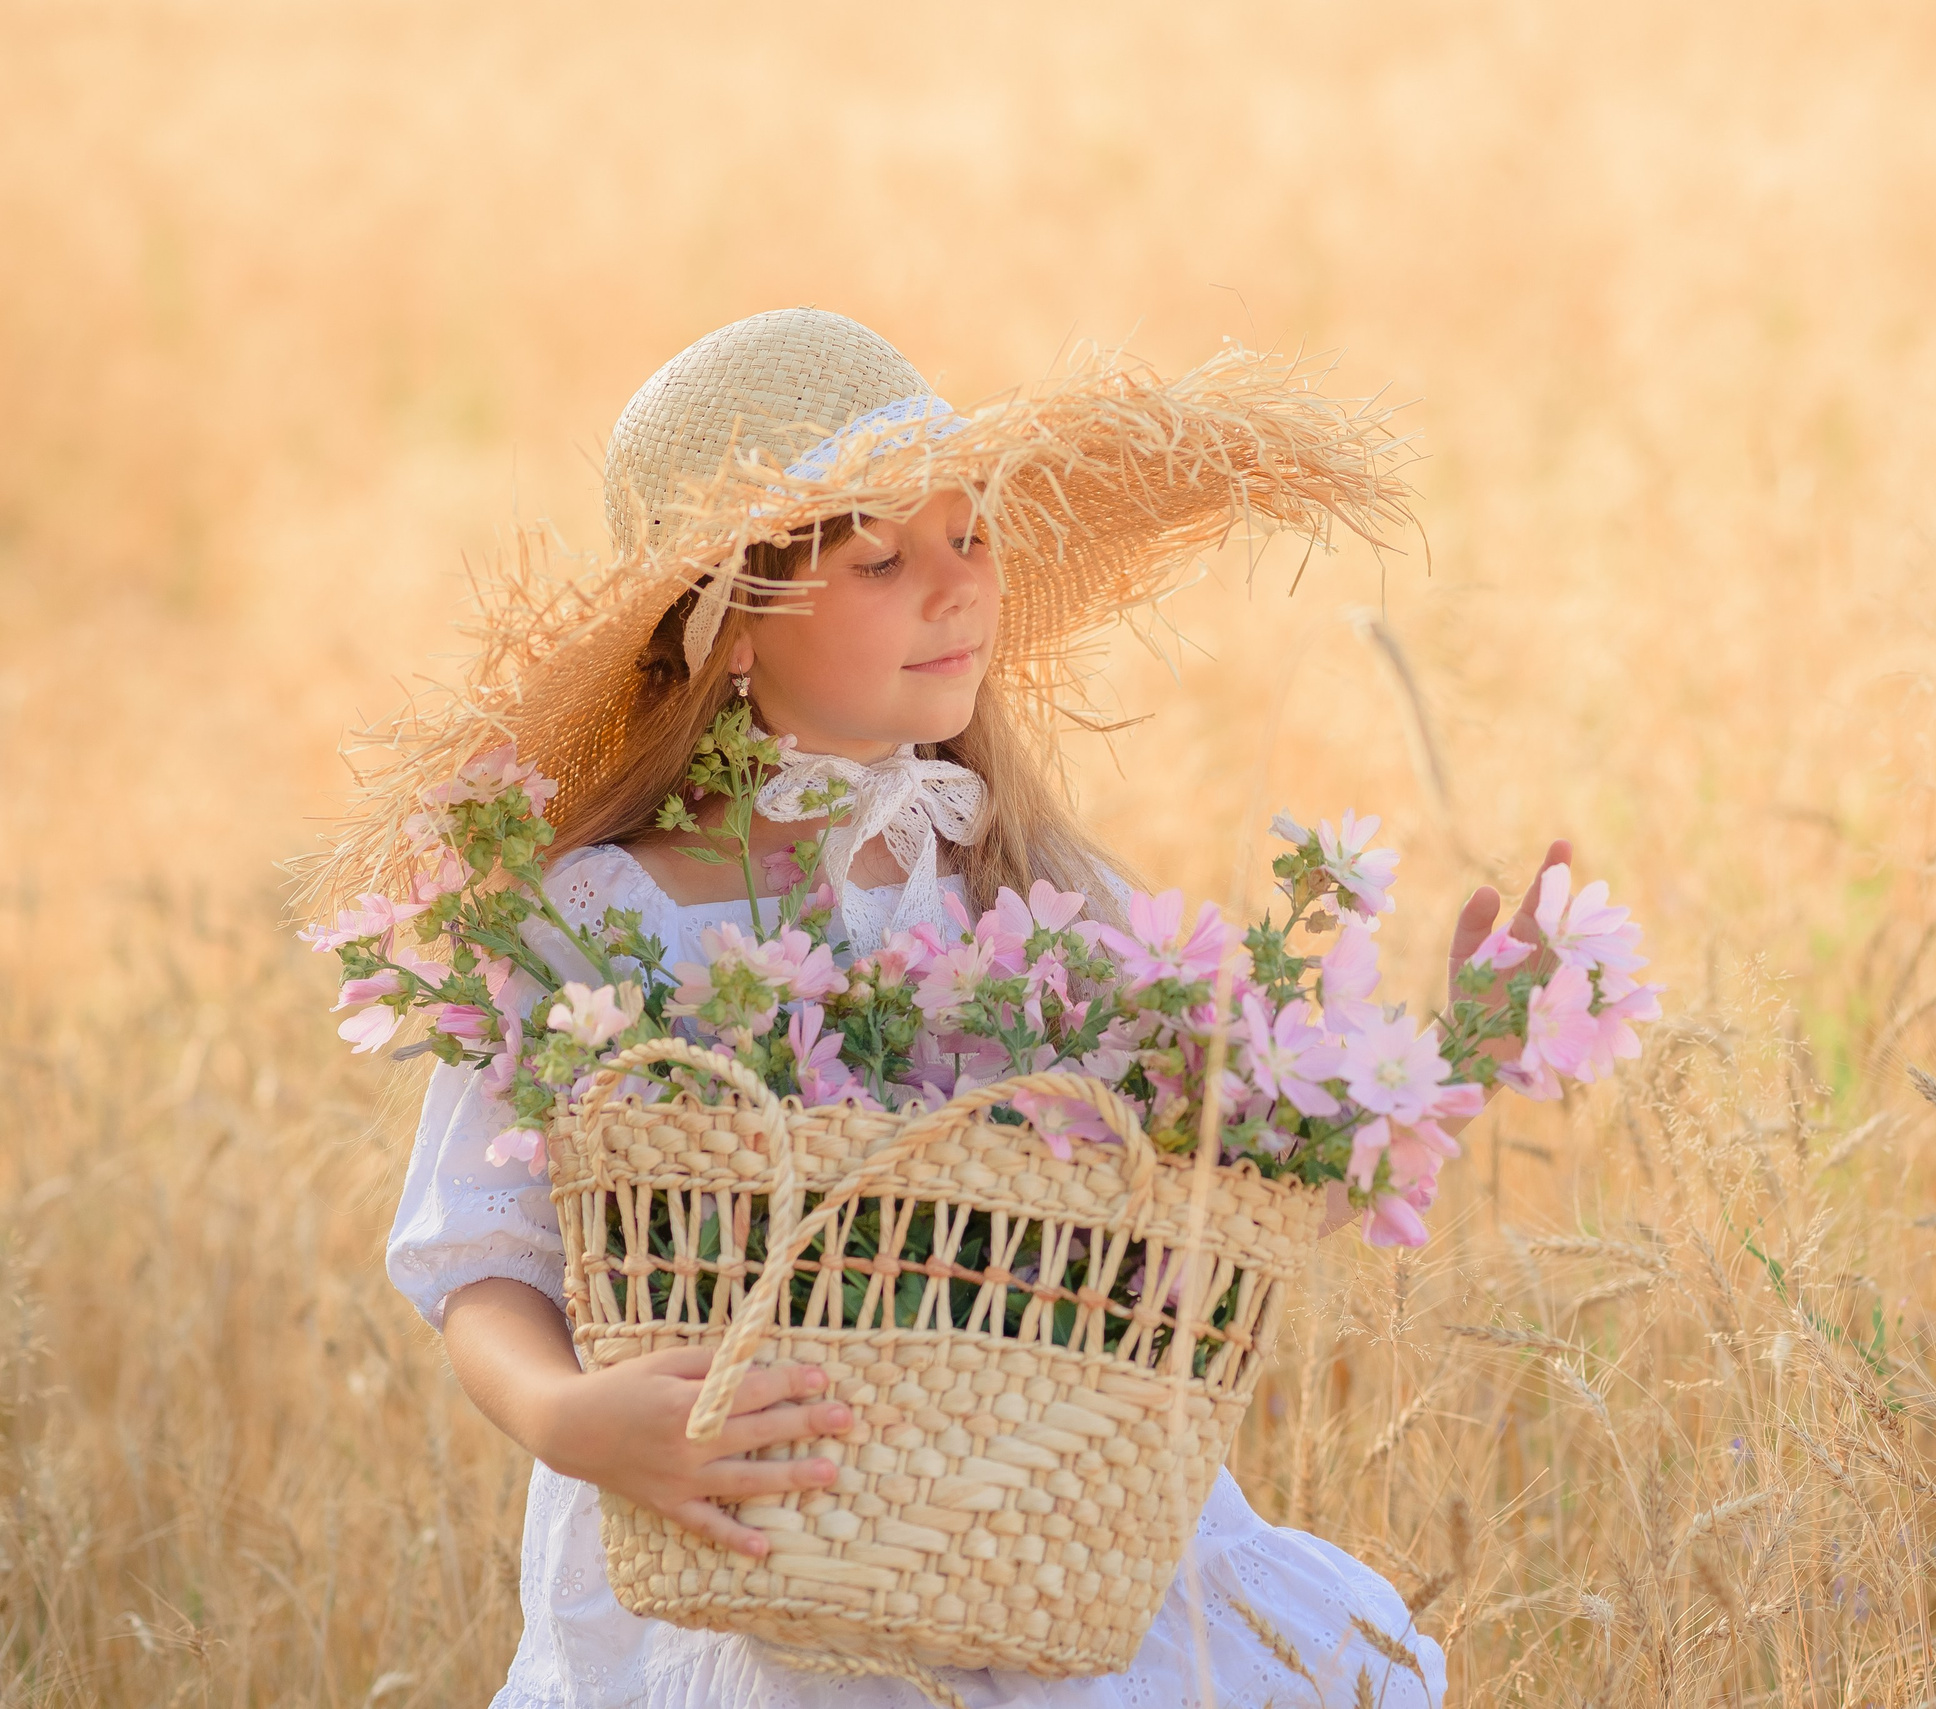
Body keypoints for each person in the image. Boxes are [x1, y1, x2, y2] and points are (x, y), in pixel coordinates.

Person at [358, 309, 1556, 1708]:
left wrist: (1450, 1052)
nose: (957, 588)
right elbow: (476, 1255)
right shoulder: (603, 917)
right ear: (731, 628)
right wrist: (574, 1420)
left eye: (971, 534)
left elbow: (1222, 1170)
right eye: (882, 558)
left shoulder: (1022, 879)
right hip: (738, 1546)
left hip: (1019, 1536)